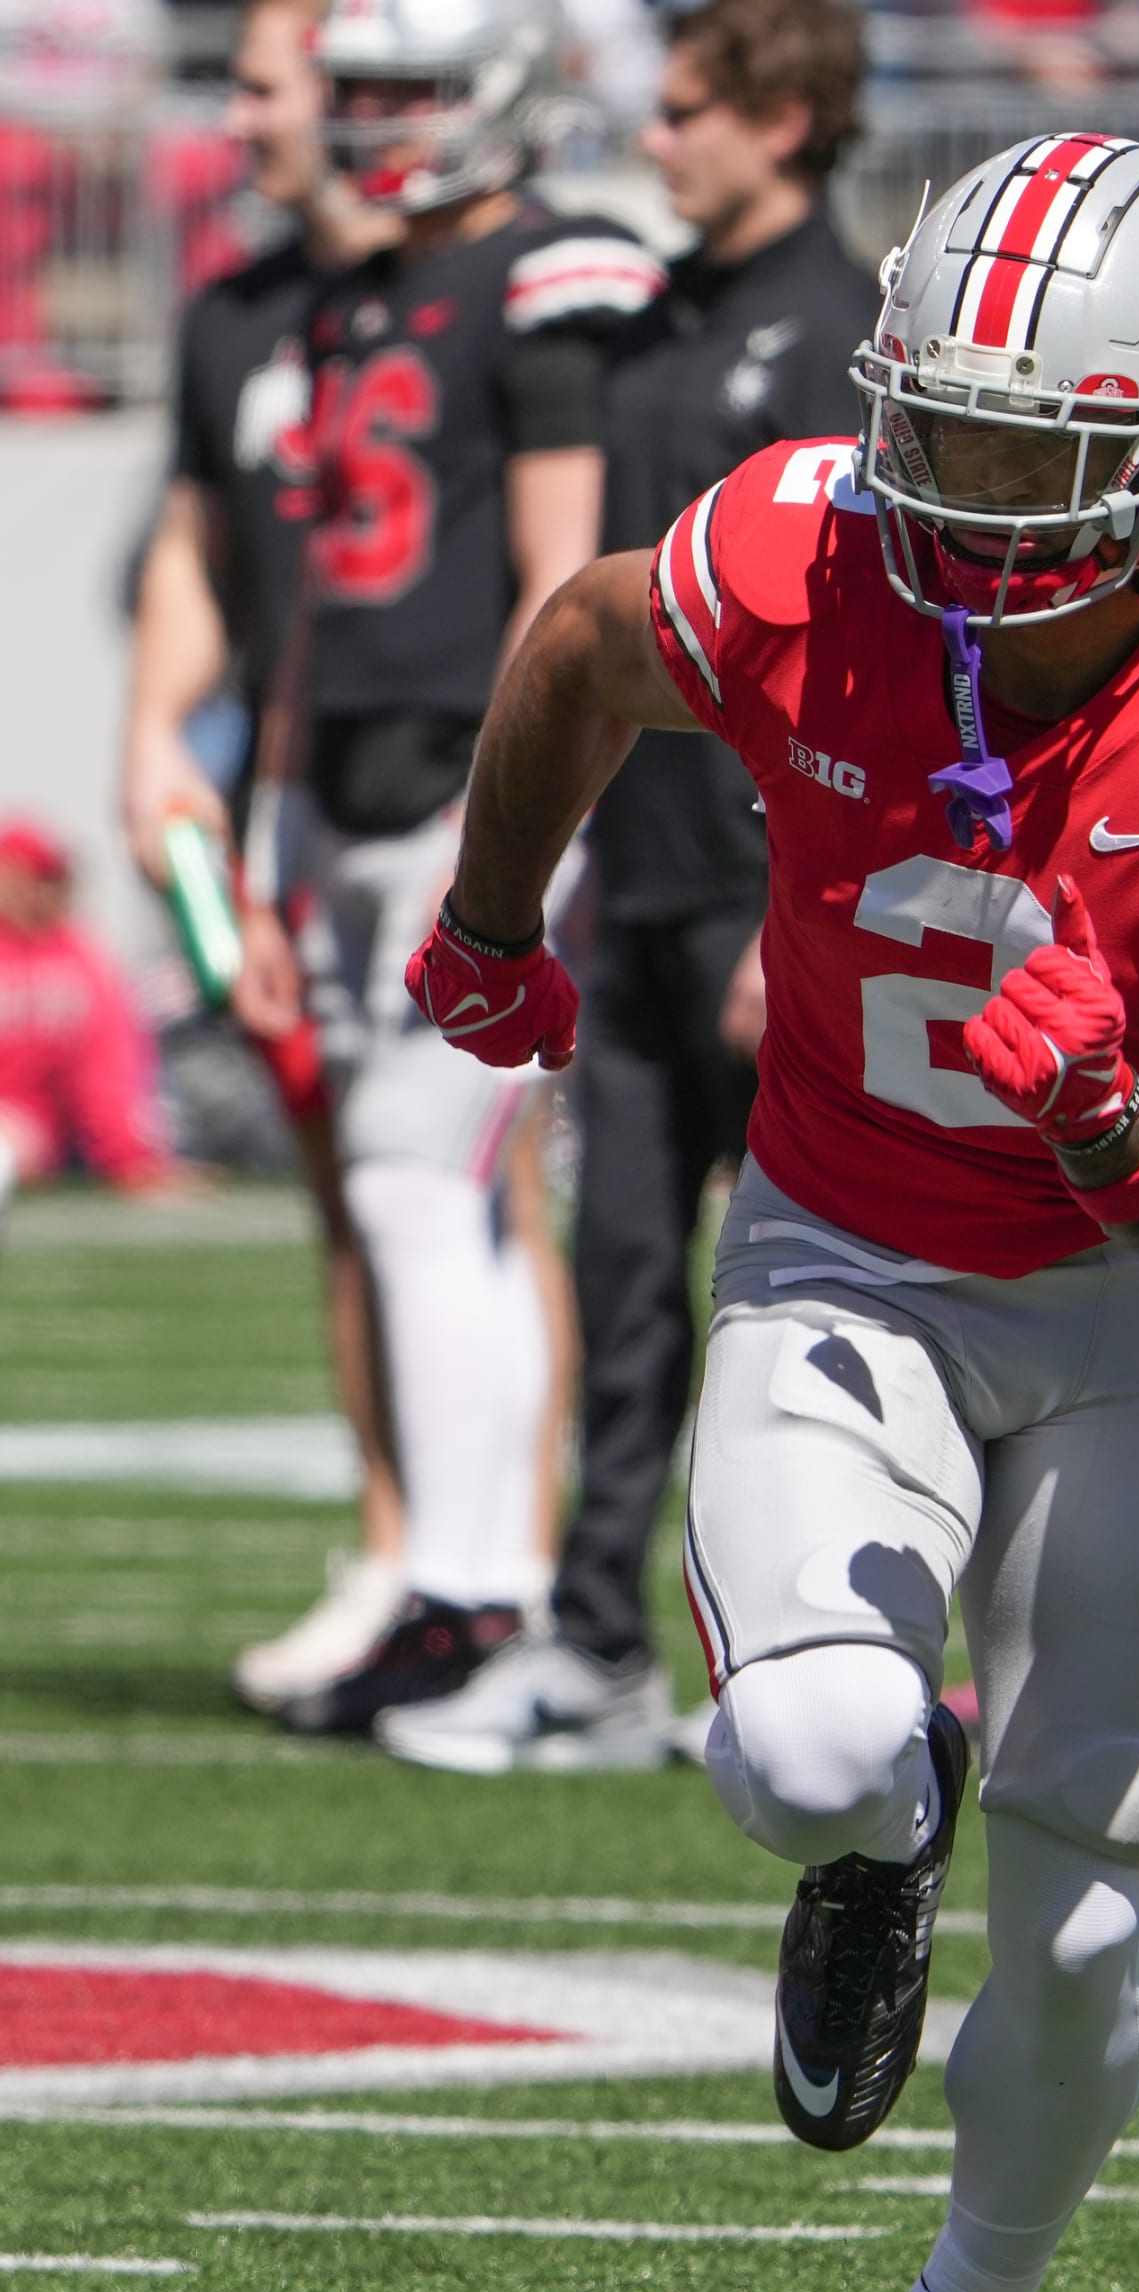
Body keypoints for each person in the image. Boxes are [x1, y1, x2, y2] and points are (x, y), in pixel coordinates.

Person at [407, 135, 1139, 2292]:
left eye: (1034, 454)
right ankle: (885, 1829)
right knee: (808, 1751)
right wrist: (492, 918)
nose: (964, 498)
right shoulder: (803, 550)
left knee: (1088, 1915)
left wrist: (1105, 1113)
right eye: (941, 426)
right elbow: (580, 638)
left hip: (1114, 1305)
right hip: (845, 1249)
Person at [377, 0, 875, 1775]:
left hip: (781, 901)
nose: (656, 143)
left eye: (686, 114)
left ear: (788, 116)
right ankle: (600, 1652)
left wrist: (799, 896)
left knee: (828, 1308)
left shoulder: (849, 333)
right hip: (645, 882)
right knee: (630, 1278)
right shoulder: (654, 319)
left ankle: (842, 1668)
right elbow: (613, 633)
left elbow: (857, 656)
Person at [233, 0, 664, 1733]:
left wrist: (515, 830)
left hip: (465, 803)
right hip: (343, 777)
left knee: (425, 1183)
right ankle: (461, 1585)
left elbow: (562, 597)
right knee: (419, 1193)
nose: (379, 125)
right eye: (366, 95)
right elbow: (316, 589)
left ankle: (470, 1587)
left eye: (412, 92)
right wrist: (273, 813)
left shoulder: (552, 277)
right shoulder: (348, 290)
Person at [120, 0, 421, 1713]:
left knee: (459, 1187)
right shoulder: (237, 317)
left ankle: (487, 1550)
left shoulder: (450, 298)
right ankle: (397, 1538)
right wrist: (153, 735)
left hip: (433, 782)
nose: (236, 120)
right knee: (345, 1177)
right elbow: (191, 543)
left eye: (262, 87)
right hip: (293, 790)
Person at [0, 817, 176, 1208]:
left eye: (55, 877)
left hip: (47, 1153)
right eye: (39, 875)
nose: (50, 889)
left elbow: (108, 1074)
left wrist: (132, 1162)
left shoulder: (81, 958)